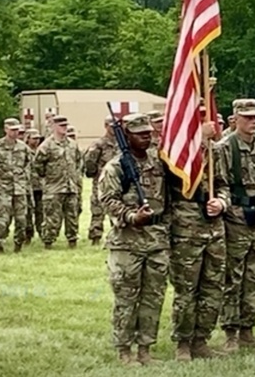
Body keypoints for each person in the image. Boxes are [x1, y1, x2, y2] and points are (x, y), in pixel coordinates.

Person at [99, 113, 169, 367]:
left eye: (148, 132)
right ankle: (124, 350)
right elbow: (107, 199)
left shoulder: (159, 162)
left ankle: (145, 349)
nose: (146, 136)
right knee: (127, 298)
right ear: (126, 136)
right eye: (140, 133)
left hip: (156, 239)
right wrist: (130, 216)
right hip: (127, 242)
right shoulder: (116, 167)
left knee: (154, 296)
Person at [215, 98, 255, 351]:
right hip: (234, 219)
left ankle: (248, 327)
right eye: (248, 117)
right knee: (233, 276)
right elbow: (220, 182)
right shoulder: (224, 148)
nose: (253, 121)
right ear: (235, 118)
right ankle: (231, 332)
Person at [167, 121, 227, 361]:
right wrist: (198, 141)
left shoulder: (215, 151)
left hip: (214, 229)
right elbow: (174, 180)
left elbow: (223, 184)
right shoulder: (174, 148)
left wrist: (222, 202)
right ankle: (183, 342)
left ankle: (201, 339)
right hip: (186, 228)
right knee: (186, 289)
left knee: (213, 287)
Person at [0, 118, 32, 253]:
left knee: (21, 219)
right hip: (2, 189)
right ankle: (0, 245)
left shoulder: (23, 147)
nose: (15, 132)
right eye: (12, 130)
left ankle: (18, 245)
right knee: (2, 220)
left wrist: (22, 176)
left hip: (20, 189)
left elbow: (29, 162)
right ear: (6, 129)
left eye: (17, 130)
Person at [33, 115, 81, 249]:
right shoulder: (46, 145)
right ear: (54, 127)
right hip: (54, 187)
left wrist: (74, 179)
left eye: (66, 125)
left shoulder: (72, 144)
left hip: (70, 187)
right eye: (61, 126)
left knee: (72, 216)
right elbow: (38, 165)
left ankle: (72, 241)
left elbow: (78, 161)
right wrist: (49, 177)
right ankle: (48, 242)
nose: (64, 128)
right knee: (51, 217)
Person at [84, 116, 119, 246]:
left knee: (116, 210)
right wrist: (95, 175)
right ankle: (95, 237)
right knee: (97, 210)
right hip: (101, 182)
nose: (114, 129)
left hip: (117, 183)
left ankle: (116, 237)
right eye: (111, 126)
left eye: (116, 126)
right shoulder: (99, 144)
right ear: (106, 126)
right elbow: (89, 161)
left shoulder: (122, 142)